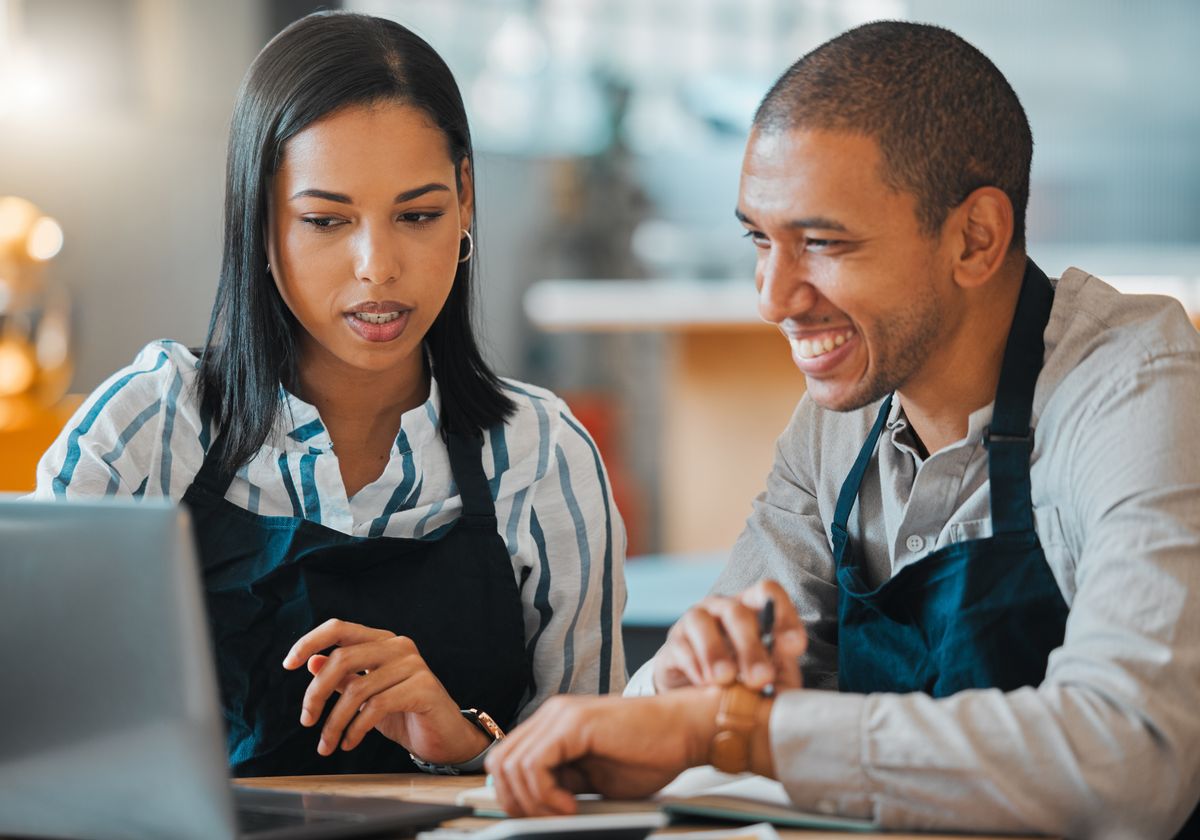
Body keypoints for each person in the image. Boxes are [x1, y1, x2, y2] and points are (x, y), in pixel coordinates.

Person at [486, 21, 1200, 839]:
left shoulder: (1133, 383)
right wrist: (687, 681)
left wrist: (740, 731)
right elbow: (685, 717)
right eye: (760, 238)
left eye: (822, 243)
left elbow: (1131, 761)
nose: (773, 296)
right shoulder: (836, 425)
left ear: (976, 238)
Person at [33, 12, 627, 778]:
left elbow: (598, 778)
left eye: (418, 215)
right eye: (324, 219)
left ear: (467, 198)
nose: (377, 266)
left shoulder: (543, 454)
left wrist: (469, 743)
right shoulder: (149, 425)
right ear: (260, 221)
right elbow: (30, 712)